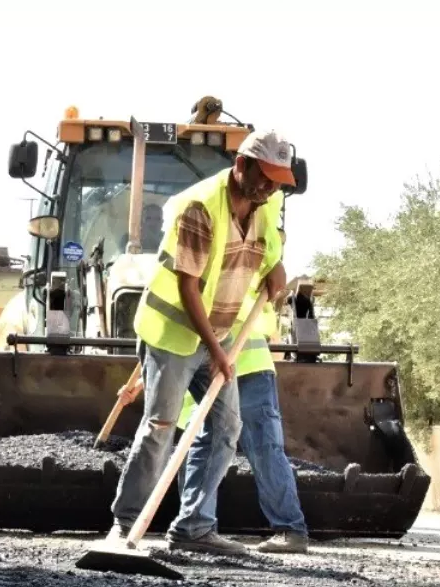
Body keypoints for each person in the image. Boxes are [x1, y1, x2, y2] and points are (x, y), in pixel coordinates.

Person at [109, 129, 294, 556]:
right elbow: (189, 286)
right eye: (264, 176)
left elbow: (269, 257)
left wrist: (277, 268)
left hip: (217, 336)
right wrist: (216, 351)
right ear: (242, 164)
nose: (269, 187)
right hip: (173, 335)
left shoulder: (264, 207)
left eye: (277, 181)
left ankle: (194, 526)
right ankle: (124, 525)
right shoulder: (200, 208)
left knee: (227, 428)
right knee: (160, 427)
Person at [175, 287, 311, 554]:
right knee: (263, 449)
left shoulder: (221, 277)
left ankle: (196, 527)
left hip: (228, 366)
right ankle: (289, 529)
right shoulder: (250, 278)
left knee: (204, 446)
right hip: (242, 367)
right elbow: (271, 332)